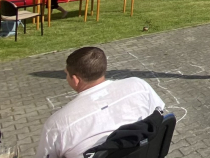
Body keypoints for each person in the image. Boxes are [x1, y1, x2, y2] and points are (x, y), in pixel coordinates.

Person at [36, 47, 166, 158]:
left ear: (75, 80)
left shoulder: (58, 123)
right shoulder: (139, 85)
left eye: (66, 74)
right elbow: (159, 113)